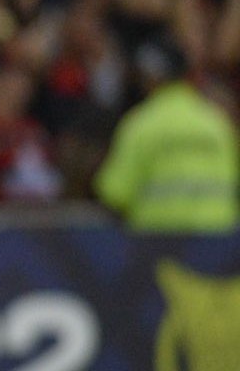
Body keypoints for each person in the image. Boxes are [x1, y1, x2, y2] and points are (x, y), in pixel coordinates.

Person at [94, 44, 239, 233]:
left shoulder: (141, 124)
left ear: (151, 77)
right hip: (219, 241)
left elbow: (115, 193)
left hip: (160, 241)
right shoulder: (216, 123)